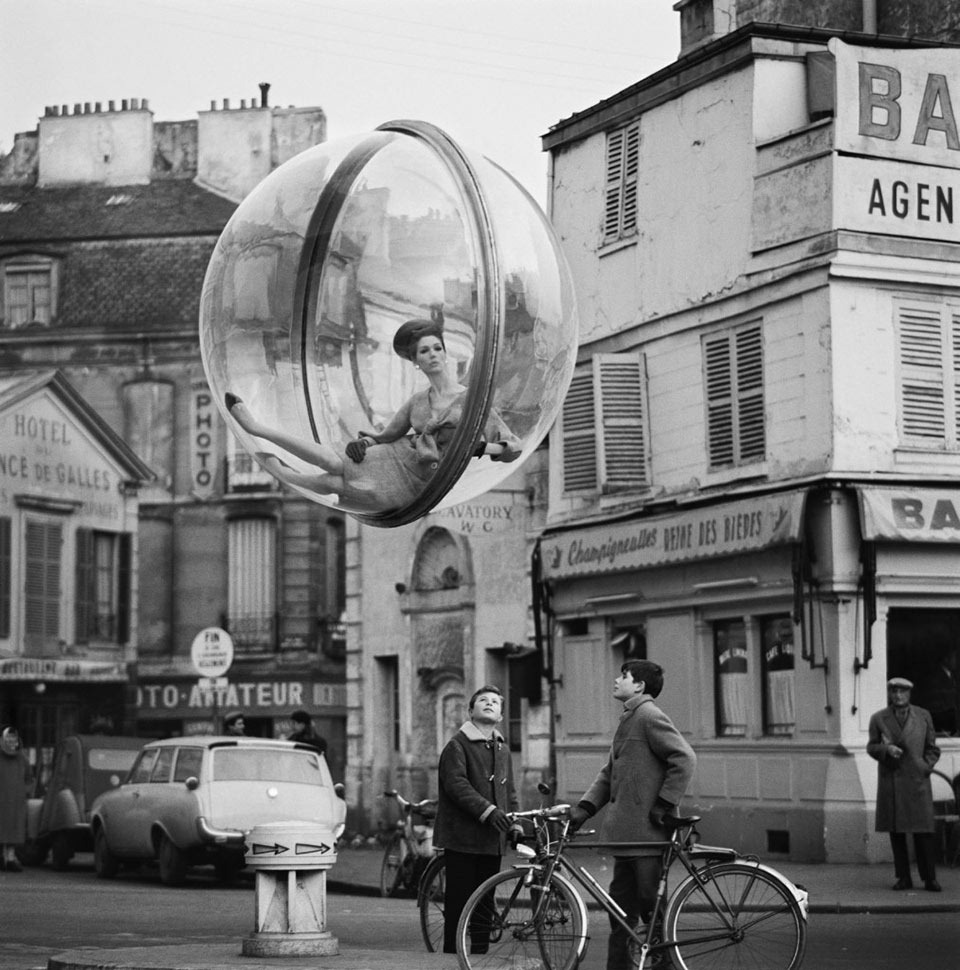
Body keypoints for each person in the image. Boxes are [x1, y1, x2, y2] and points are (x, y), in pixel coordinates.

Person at [225, 313, 521, 513]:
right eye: (424, 351)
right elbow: (387, 436)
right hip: (396, 457)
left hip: (421, 481)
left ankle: (284, 474)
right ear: (415, 361)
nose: (432, 355)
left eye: (436, 348)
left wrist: (483, 448)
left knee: (332, 483)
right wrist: (364, 443)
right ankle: (256, 428)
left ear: (445, 353)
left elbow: (513, 448)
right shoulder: (418, 401)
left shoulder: (472, 401)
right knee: (332, 460)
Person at [569, 660, 697, 970]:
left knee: (650, 904)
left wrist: (664, 804)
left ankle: (664, 963)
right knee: (619, 910)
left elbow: (685, 758)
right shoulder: (630, 717)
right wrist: (584, 810)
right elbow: (610, 772)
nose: (616, 679)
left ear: (638, 685)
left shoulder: (648, 715)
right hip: (628, 835)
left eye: (623, 676)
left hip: (647, 833)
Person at [434, 685, 521, 955]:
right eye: (482, 700)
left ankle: (480, 954)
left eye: (495, 702)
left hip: (490, 838)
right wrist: (488, 811)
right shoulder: (457, 745)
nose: (489, 703)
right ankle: (452, 956)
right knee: (459, 900)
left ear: (501, 715)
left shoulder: (501, 748)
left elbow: (509, 790)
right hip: (462, 837)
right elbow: (456, 785)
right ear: (471, 711)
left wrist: (515, 822)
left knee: (485, 899)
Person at [867, 676, 942, 892]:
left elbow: (932, 748)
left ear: (909, 694)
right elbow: (872, 747)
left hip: (917, 781)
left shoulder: (923, 716)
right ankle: (903, 878)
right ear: (890, 694)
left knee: (923, 833)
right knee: (897, 834)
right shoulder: (879, 718)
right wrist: (886, 750)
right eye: (894, 691)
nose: (898, 695)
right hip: (893, 782)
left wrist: (924, 766)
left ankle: (930, 878)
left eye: (902, 692)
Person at [0, 726, 30, 873]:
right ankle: (5, 858)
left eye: (14, 738)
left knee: (12, 829)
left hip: (16, 800)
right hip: (4, 799)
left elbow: (29, 778)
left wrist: (26, 792)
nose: (12, 741)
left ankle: (10, 858)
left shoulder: (22, 758)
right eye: (8, 738)